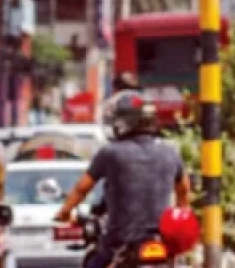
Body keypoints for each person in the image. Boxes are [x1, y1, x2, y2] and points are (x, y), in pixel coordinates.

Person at [54, 91, 191, 268]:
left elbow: (82, 188)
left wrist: (65, 212)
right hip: (162, 241)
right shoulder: (170, 152)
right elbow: (184, 192)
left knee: (94, 263)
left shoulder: (110, 152)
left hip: (121, 242)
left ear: (123, 122)